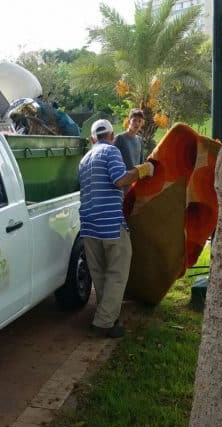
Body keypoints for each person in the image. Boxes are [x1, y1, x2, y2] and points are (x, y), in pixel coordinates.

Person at [79, 119, 154, 338]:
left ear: (93, 139)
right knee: (117, 273)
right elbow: (119, 180)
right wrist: (143, 170)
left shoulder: (84, 160)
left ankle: (108, 317)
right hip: (111, 225)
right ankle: (103, 323)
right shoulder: (111, 151)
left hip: (88, 226)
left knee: (100, 273)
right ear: (111, 136)